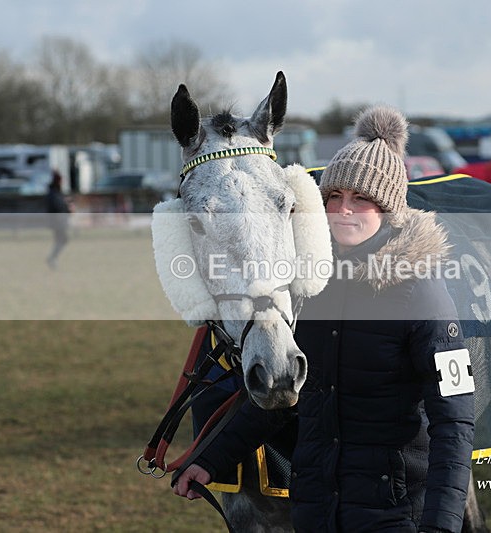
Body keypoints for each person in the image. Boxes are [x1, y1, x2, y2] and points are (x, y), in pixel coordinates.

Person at [173, 106, 475, 532]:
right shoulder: (310, 289)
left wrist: (441, 525)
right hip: (318, 512)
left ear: (388, 208)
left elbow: (454, 423)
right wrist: (210, 459)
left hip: (392, 514)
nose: (343, 211)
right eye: (334, 197)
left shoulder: (422, 292)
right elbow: (286, 399)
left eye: (362, 199)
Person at [46, 169, 71, 269]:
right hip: (57, 221)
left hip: (59, 221)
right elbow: (57, 207)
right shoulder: (54, 194)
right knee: (63, 240)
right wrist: (66, 207)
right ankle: (52, 258)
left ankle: (53, 258)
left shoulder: (56, 192)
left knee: (61, 240)